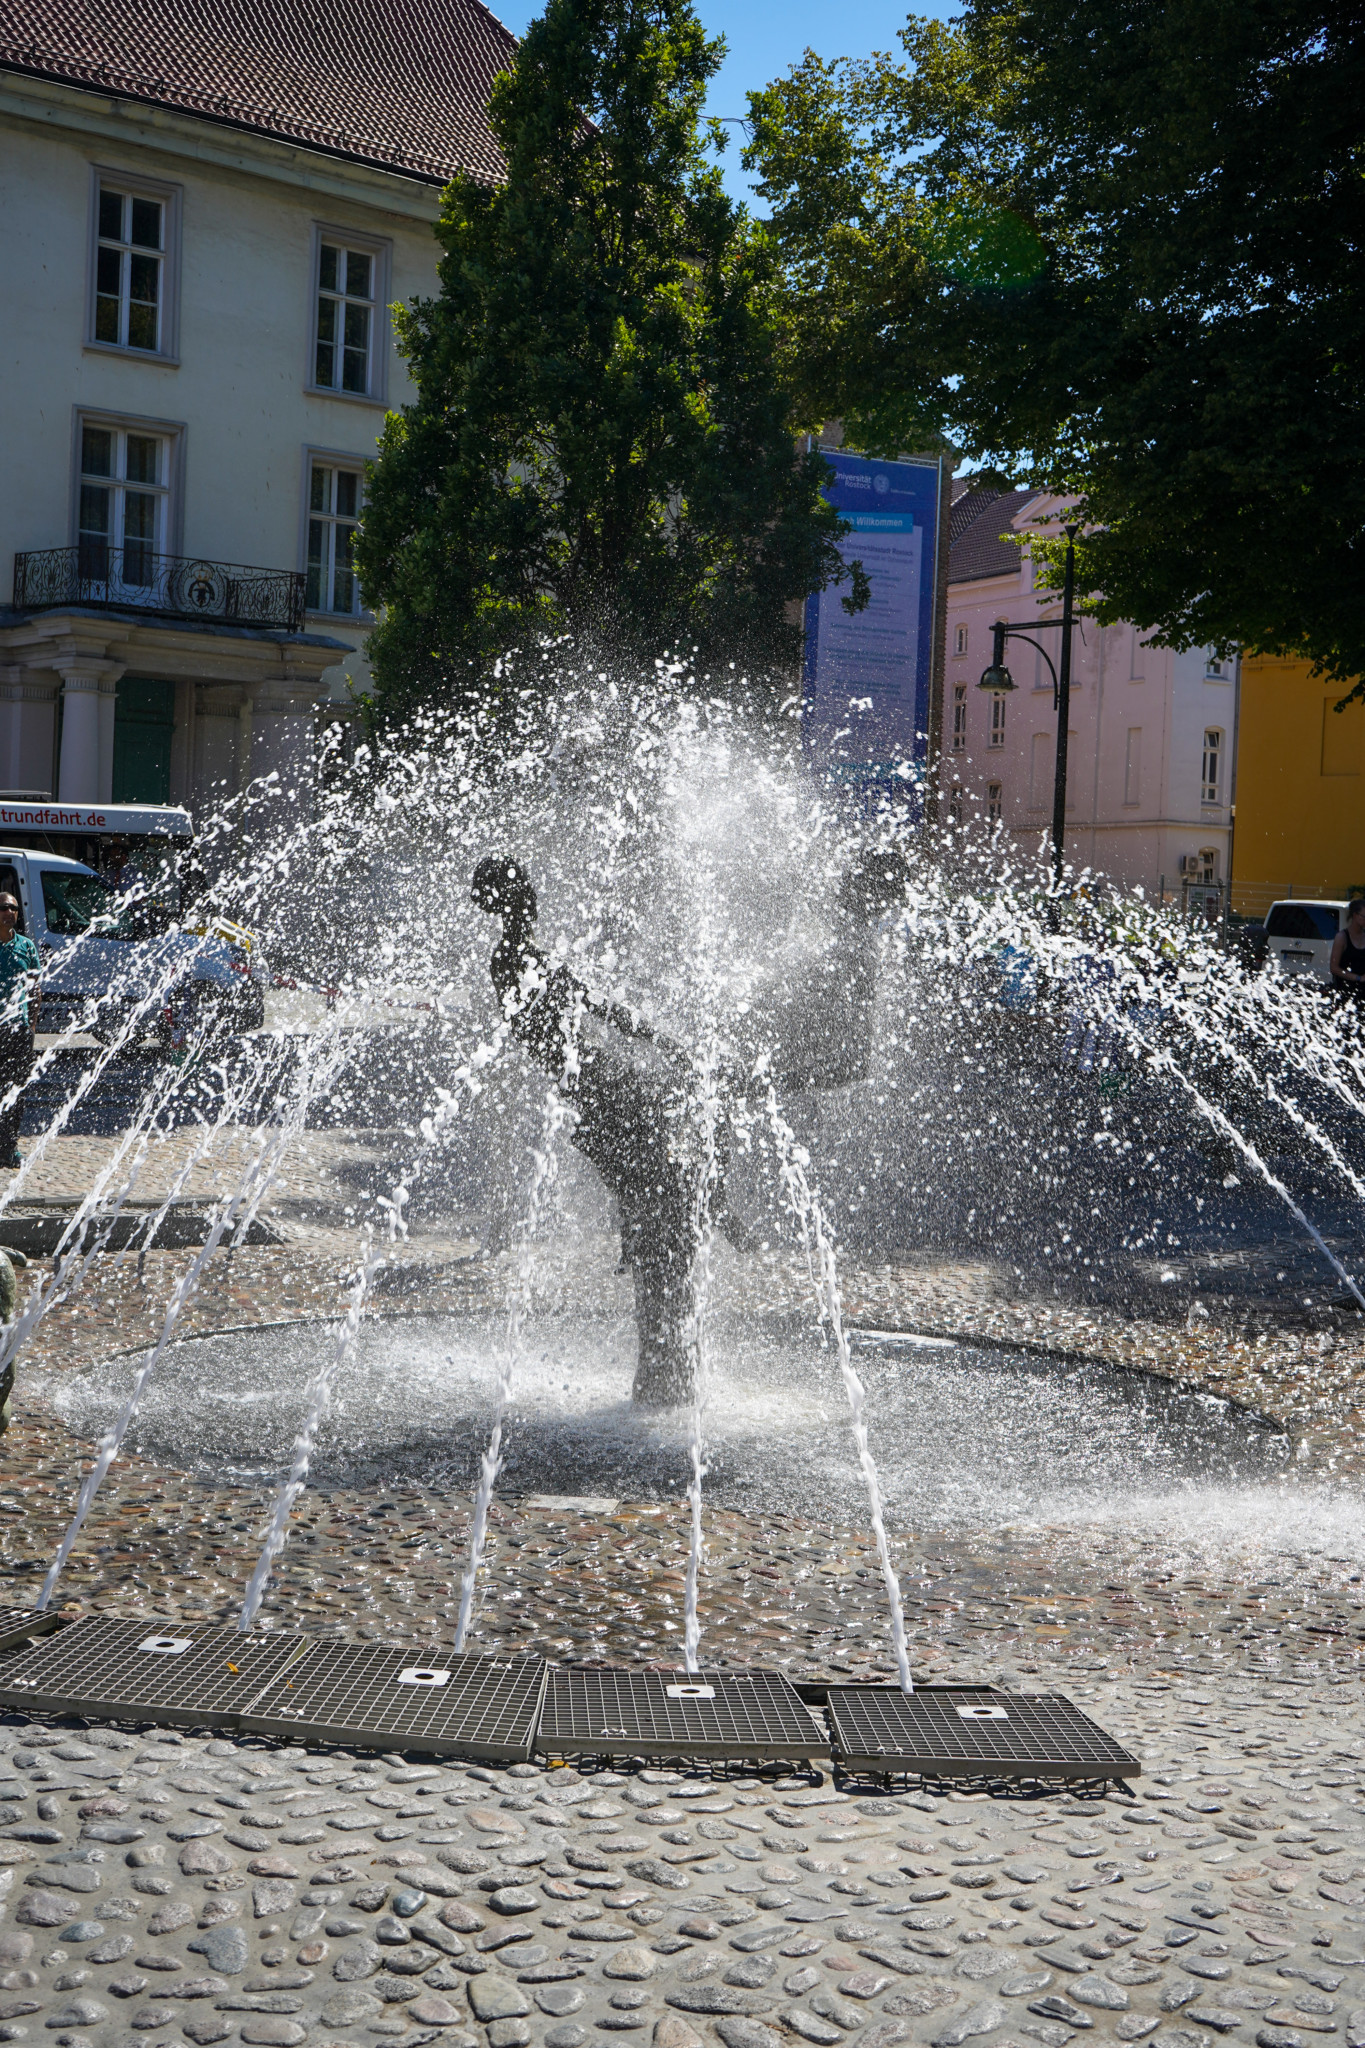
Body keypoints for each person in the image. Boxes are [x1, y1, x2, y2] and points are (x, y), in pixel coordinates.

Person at [472, 856, 700, 1406]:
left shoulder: (523, 959)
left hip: (601, 1087)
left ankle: (667, 1369)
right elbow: (590, 1013)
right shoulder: (513, 960)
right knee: (663, 1205)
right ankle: (664, 1374)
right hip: (600, 1092)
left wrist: (662, 1043)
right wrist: (661, 1046)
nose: (533, 900)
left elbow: (600, 1008)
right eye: (522, 892)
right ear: (508, 902)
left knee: (667, 1203)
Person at [0, 893, 40, 1169]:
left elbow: (35, 989)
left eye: (13, 908)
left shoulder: (26, 946)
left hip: (19, 1029)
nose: (8, 912)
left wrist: (33, 1025)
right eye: (3, 907)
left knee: (16, 1090)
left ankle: (9, 1146)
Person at [1330, 899, 1365, 997]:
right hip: (1346, 992)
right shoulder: (1342, 937)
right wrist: (1358, 978)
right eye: (1364, 916)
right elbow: (1334, 968)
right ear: (1355, 915)